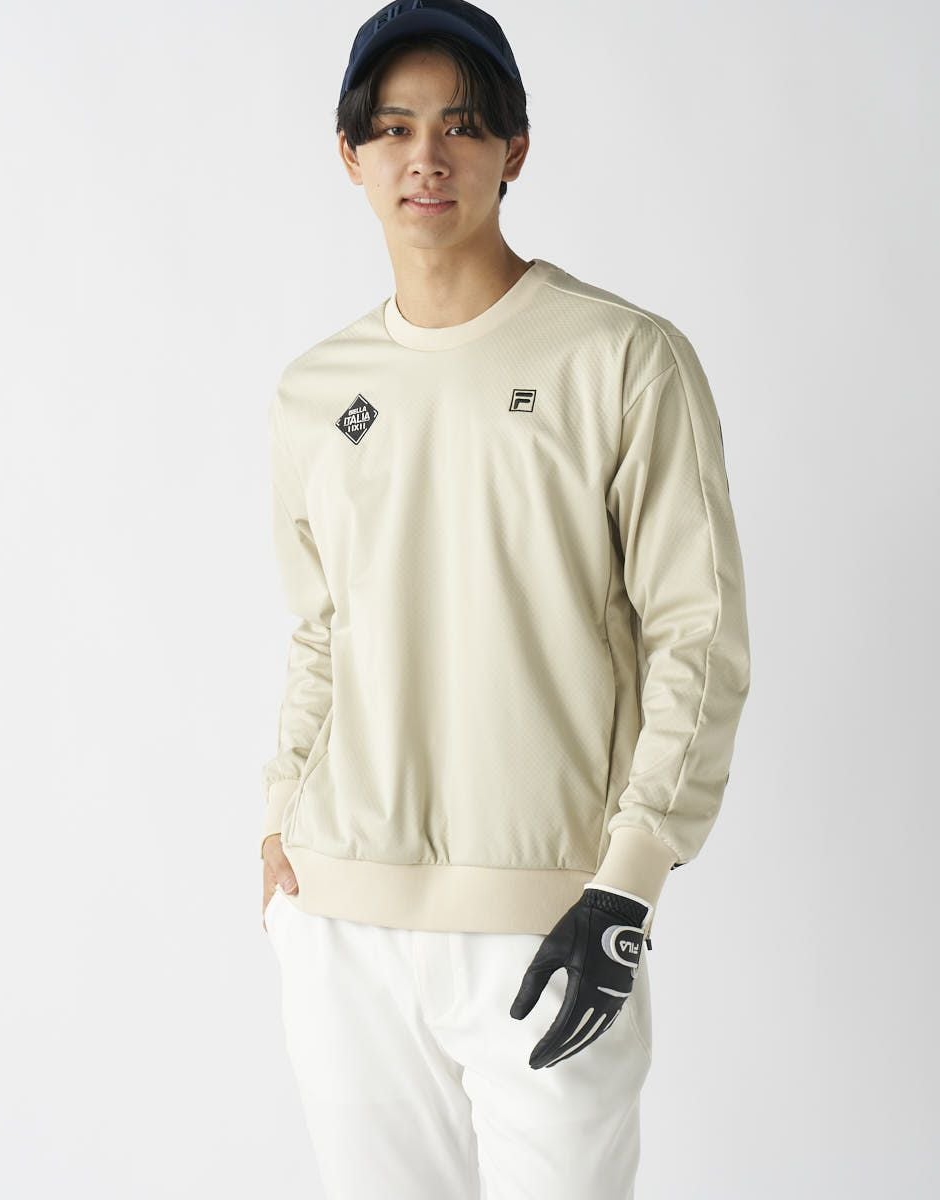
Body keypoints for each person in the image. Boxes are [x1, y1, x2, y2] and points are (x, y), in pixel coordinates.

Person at [259, 3, 751, 1196]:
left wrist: (628, 880)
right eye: (393, 127)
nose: (425, 156)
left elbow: (696, 637)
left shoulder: (620, 358)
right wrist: (280, 814)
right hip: (340, 918)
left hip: (551, 919)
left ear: (513, 149)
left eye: (462, 125)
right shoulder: (316, 391)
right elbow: (322, 632)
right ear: (350, 154)